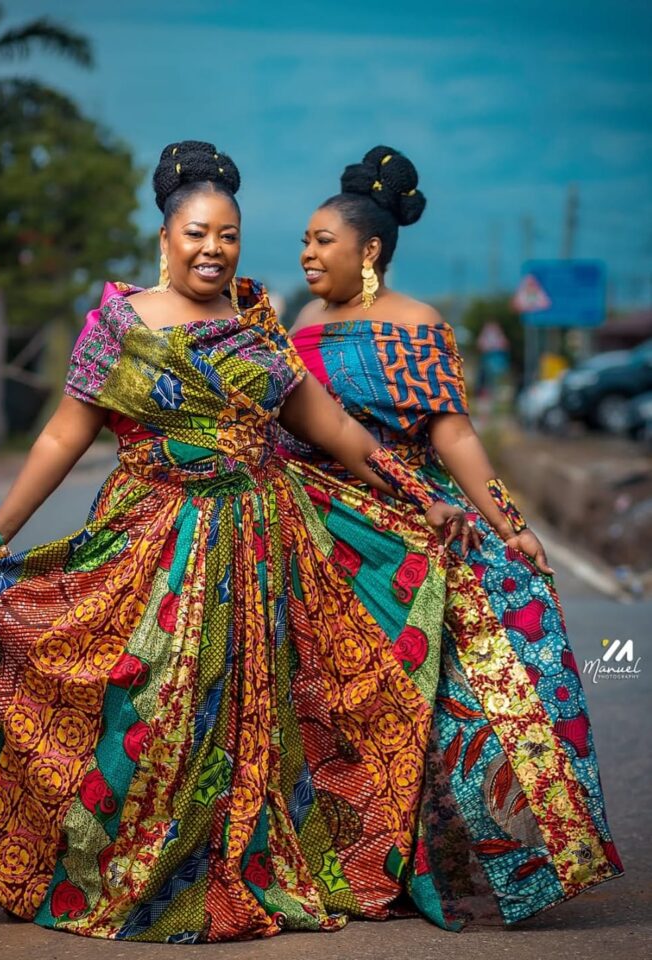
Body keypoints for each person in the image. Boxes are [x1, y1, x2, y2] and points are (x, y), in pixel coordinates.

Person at [0, 141, 473, 944]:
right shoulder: (122, 323)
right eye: (196, 233)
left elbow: (333, 427)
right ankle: (111, 867)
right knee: (140, 701)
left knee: (244, 717)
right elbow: (58, 439)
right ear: (165, 238)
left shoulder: (257, 324)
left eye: (227, 236)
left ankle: (232, 865)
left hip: (256, 548)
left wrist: (420, 491)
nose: (213, 249)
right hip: (151, 543)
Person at [284, 145, 624, 929]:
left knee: (457, 694)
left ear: (368, 250)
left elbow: (456, 438)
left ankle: (477, 855)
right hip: (323, 530)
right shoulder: (299, 323)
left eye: (322, 240)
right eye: (303, 240)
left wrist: (514, 526)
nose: (306, 252)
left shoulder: (418, 324)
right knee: (333, 702)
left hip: (414, 520)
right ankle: (349, 859)